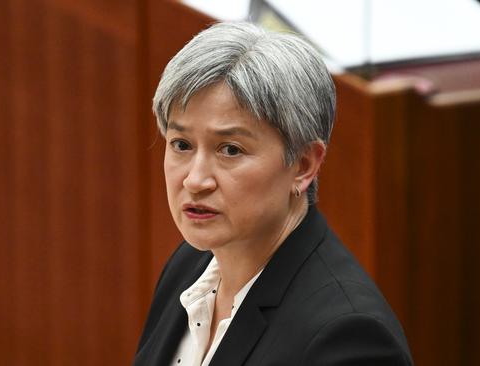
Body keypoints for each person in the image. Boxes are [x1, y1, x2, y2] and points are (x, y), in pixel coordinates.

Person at [133, 22, 413, 366]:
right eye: (182, 144)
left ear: (303, 165)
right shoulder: (190, 264)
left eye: (230, 149)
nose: (195, 180)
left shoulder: (349, 340)